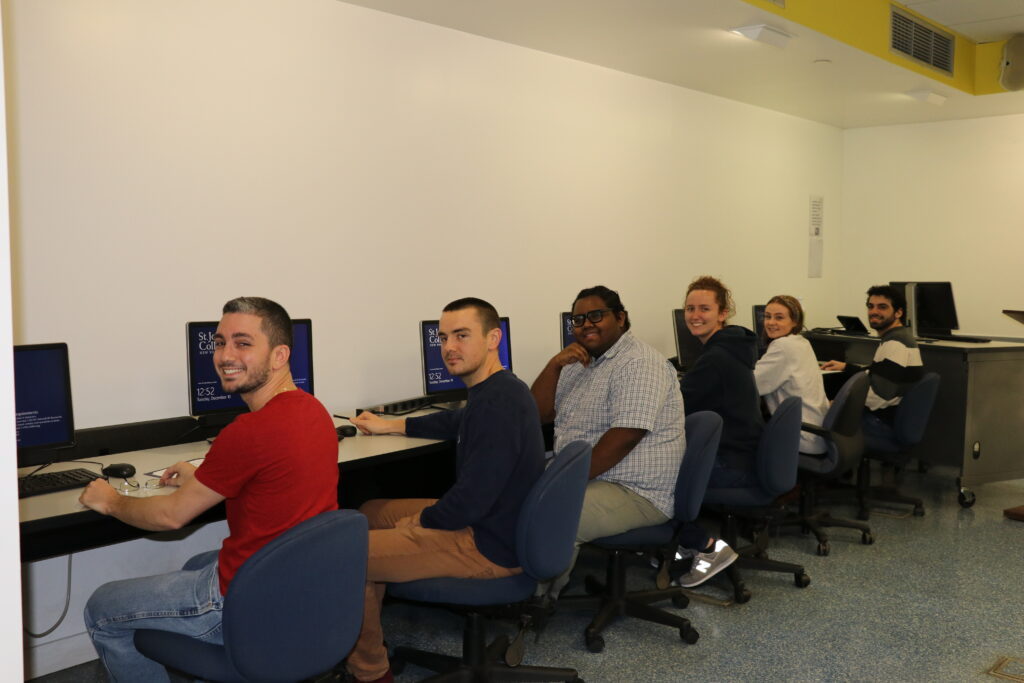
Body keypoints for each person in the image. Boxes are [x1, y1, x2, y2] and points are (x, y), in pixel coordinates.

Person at [81, 297, 340, 682]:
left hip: (247, 600)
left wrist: (111, 500)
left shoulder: (248, 432)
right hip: (303, 585)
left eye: (243, 343)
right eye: (219, 342)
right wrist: (203, 474)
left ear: (279, 355)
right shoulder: (313, 410)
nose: (224, 355)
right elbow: (268, 474)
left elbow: (171, 516)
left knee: (101, 607)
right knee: (195, 564)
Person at [345, 298, 544, 683]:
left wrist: (419, 521)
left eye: (462, 335)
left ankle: (371, 672)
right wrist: (395, 426)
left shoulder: (497, 403)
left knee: (346, 553)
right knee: (368, 511)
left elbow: (468, 502)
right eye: (443, 336)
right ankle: (371, 606)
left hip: (488, 544)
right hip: (496, 522)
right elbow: (459, 421)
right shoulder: (499, 390)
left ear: (493, 339)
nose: (449, 346)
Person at [531, 285, 698, 597]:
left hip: (638, 491)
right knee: (518, 490)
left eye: (596, 315)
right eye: (577, 320)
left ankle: (536, 603)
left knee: (558, 513)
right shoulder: (578, 363)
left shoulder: (639, 363)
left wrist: (558, 482)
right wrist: (554, 365)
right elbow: (538, 414)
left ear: (621, 318)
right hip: (599, 478)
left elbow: (623, 438)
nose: (585, 325)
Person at [820, 285, 923, 437]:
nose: (874, 312)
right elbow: (879, 373)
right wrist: (847, 367)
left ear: (898, 313)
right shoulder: (899, 338)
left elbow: (881, 397)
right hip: (888, 416)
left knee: (818, 413)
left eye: (882, 307)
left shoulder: (895, 344)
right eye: (870, 306)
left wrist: (839, 404)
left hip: (880, 422)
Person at [755, 295, 830, 454]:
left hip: (800, 437)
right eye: (767, 316)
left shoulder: (783, 346)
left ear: (795, 321)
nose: (771, 322)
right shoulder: (801, 342)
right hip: (817, 434)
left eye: (779, 317)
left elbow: (752, 385)